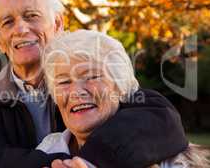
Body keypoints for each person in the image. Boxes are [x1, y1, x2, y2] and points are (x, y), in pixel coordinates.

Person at [0, 0, 188, 168]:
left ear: (58, 23)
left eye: (31, 16)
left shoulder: (103, 80)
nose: (20, 29)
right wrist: (69, 164)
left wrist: (88, 162)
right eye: (8, 22)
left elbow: (160, 121)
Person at [37, 29, 210, 168]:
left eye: (91, 77)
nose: (76, 91)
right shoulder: (48, 148)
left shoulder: (168, 156)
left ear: (120, 87)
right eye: (64, 82)